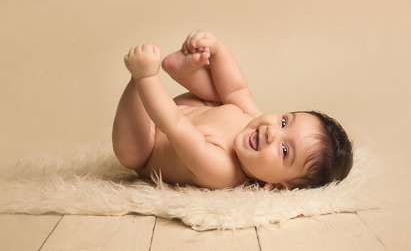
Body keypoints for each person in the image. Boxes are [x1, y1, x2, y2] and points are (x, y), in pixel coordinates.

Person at [112, 30, 353, 190]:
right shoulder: (255, 123)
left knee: (132, 152)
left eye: (284, 150)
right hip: (177, 110)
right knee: (223, 99)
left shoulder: (223, 171)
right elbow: (236, 90)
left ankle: (138, 81)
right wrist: (217, 51)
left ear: (277, 186)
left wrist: (147, 78)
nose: (272, 133)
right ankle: (186, 69)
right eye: (284, 122)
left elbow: (175, 126)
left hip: (150, 141)